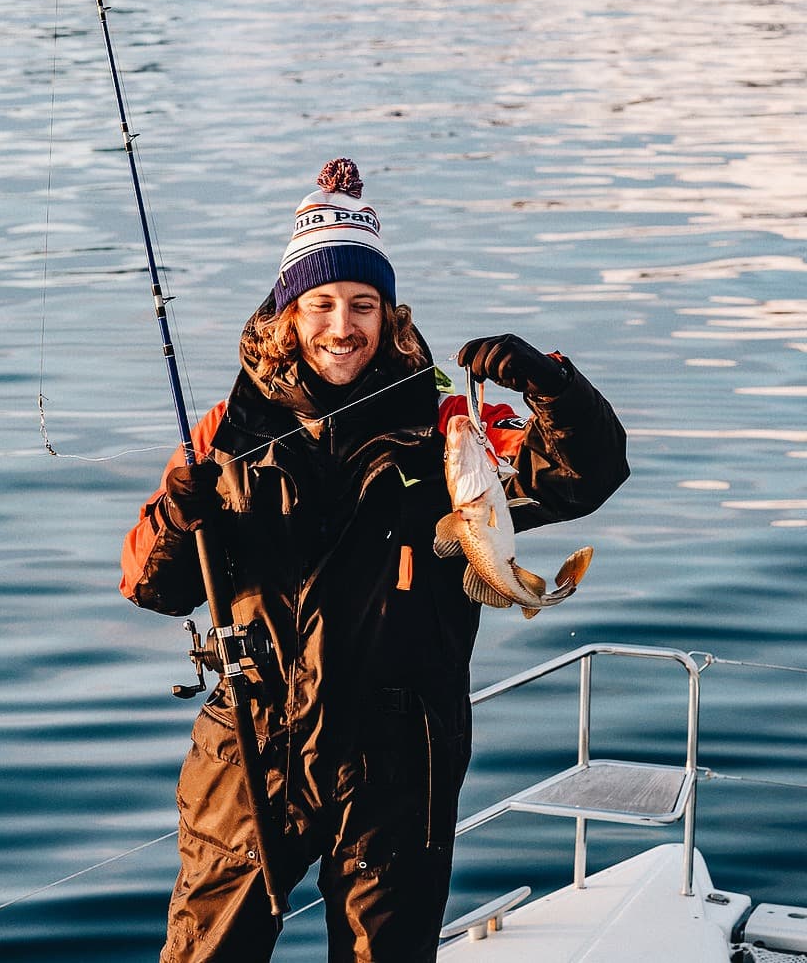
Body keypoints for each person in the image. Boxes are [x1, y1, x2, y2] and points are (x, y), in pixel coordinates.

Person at [120, 157, 630, 963]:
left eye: (363, 304)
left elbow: (581, 478)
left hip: (398, 763)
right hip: (251, 750)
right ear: (288, 314)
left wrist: (553, 389)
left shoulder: (450, 423)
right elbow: (152, 586)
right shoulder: (223, 430)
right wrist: (179, 516)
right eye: (320, 303)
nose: (342, 326)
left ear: (389, 315)